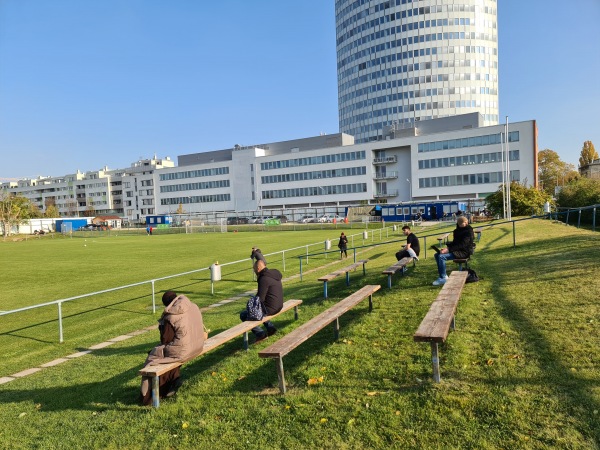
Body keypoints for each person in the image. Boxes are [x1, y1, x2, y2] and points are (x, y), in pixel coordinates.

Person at [140, 291, 205, 405]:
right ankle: (173, 381)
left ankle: (149, 396)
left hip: (185, 350)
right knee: (169, 352)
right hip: (198, 345)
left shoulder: (171, 316)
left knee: (154, 358)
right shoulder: (192, 306)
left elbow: (166, 339)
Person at [240, 259, 283, 342]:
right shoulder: (273, 274)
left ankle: (261, 335)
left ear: (258, 268)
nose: (254, 271)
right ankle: (271, 328)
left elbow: (260, 298)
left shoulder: (263, 278)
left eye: (254, 269)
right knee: (260, 309)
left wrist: (252, 304)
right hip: (279, 305)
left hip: (271, 308)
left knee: (244, 314)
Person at [432, 216, 474, 286]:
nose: (465, 224)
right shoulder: (457, 231)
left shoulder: (469, 231)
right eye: (462, 223)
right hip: (457, 250)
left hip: (464, 252)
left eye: (465, 222)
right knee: (437, 255)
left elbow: (462, 245)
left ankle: (443, 278)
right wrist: (447, 248)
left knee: (441, 257)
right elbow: (455, 243)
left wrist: (448, 250)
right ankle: (442, 276)